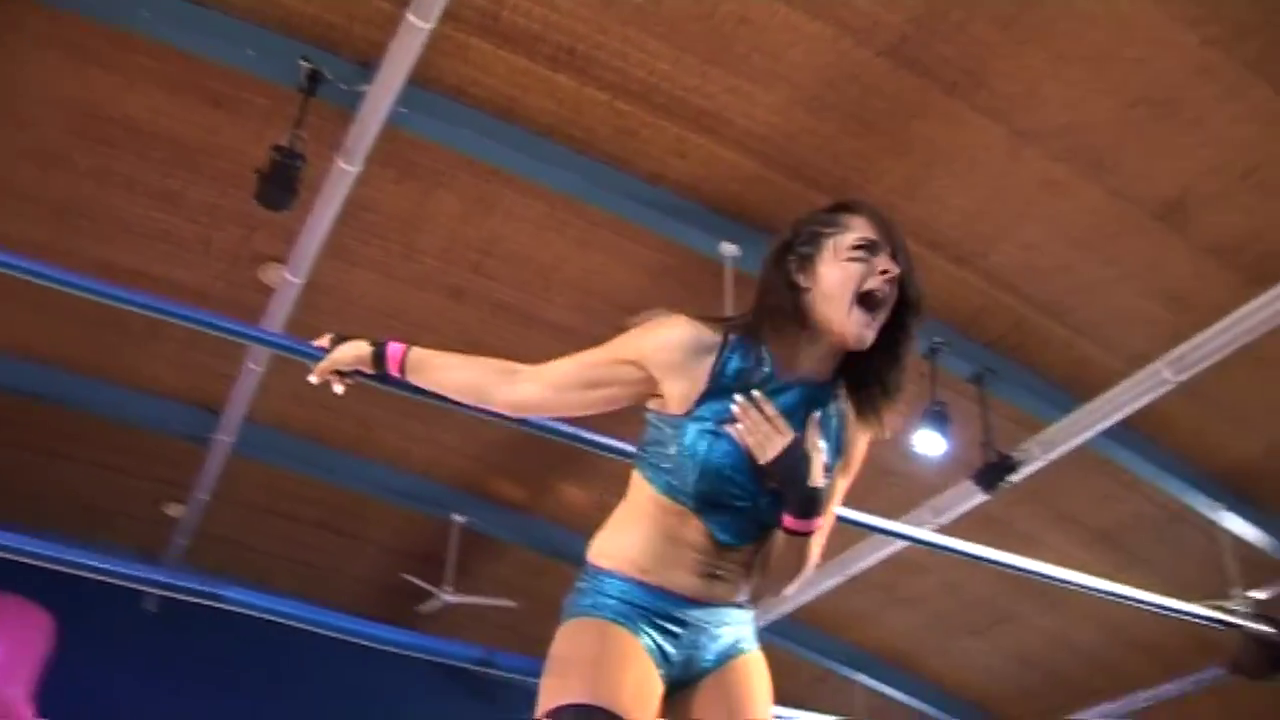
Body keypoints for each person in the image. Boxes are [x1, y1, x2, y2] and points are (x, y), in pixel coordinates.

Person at [305, 198, 922, 720]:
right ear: (802, 270)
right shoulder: (692, 350)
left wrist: (802, 502)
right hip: (627, 608)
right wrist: (381, 356)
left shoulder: (845, 422)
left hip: (726, 633)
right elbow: (521, 388)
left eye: (893, 265)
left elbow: (779, 580)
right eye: (862, 253)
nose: (888, 270)